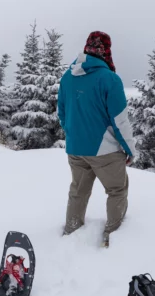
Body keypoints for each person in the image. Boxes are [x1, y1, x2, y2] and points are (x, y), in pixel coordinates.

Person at [58, 31, 137, 245]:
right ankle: (113, 236)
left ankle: (71, 232)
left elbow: (62, 114)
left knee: (78, 192)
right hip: (106, 151)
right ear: (107, 51)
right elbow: (120, 121)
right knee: (117, 190)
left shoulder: (68, 77)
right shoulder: (110, 79)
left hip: (75, 148)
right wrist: (130, 149)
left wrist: (74, 134)